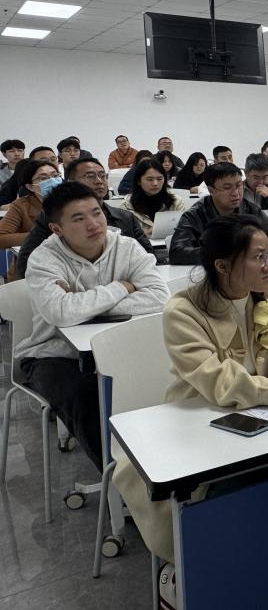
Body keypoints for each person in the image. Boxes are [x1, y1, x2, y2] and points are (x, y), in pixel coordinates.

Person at [114, 213, 268, 567]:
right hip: (205, 421)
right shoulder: (184, 311)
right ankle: (197, 566)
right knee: (231, 491)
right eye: (258, 257)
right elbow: (219, 380)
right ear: (222, 265)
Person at [19, 181, 168, 473]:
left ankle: (163, 468)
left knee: (165, 377)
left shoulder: (126, 247)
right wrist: (123, 287)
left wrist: (82, 302)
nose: (93, 224)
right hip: (54, 353)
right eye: (78, 218)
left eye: (97, 213)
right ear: (57, 229)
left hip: (120, 345)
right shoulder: (43, 259)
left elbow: (158, 297)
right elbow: (60, 312)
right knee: (88, 397)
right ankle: (121, 483)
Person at [16, 157, 151, 277]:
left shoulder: (125, 216)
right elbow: (26, 263)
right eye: (90, 176)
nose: (99, 181)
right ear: (71, 182)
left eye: (102, 176)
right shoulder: (53, 218)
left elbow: (148, 256)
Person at [169, 162, 268, 265]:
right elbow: (177, 252)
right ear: (211, 190)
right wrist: (225, 251)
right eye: (227, 188)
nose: (236, 193)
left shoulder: (249, 209)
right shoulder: (195, 215)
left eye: (239, 185)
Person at [0, 159, 61, 258]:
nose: (52, 181)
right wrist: (42, 236)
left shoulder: (74, 200)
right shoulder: (21, 206)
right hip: (33, 260)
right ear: (30, 187)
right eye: (43, 178)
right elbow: (1, 238)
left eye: (55, 176)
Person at [119, 158, 188, 237]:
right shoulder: (126, 206)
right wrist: (144, 234)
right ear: (138, 181)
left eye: (159, 179)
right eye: (149, 179)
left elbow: (184, 230)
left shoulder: (176, 202)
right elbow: (124, 236)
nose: (155, 183)